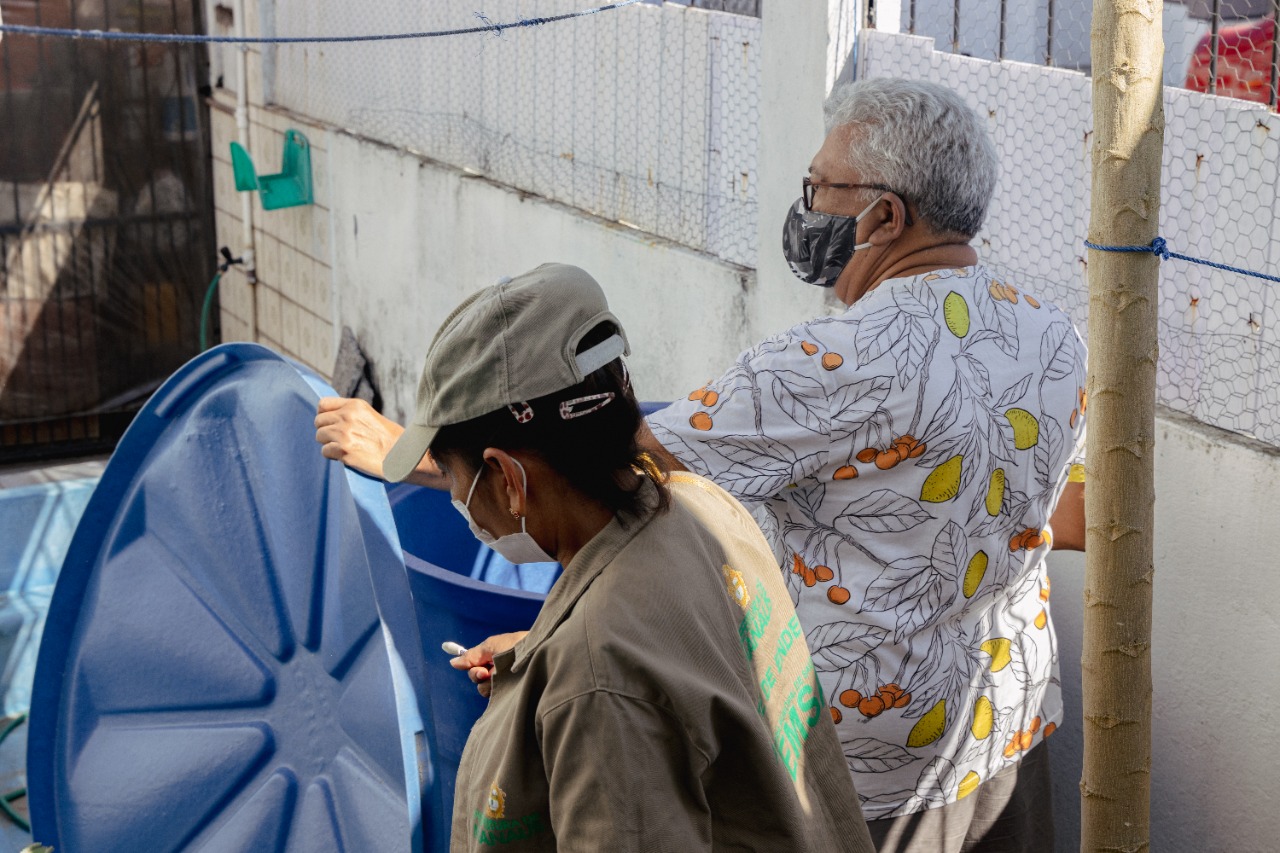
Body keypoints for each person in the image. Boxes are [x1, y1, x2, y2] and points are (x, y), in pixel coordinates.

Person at [315, 79, 1087, 853]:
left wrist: (406, 452)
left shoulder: (836, 362)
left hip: (878, 772)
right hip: (1007, 724)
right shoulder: (1053, 338)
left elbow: (604, 465)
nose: (807, 204)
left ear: (886, 216)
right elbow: (1068, 517)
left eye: (821, 188)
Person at [363, 263, 875, 852]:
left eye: (454, 475)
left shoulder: (598, 674)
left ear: (507, 477)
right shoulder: (701, 508)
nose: (457, 498)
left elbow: (619, 687)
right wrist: (542, 659)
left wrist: (575, 674)